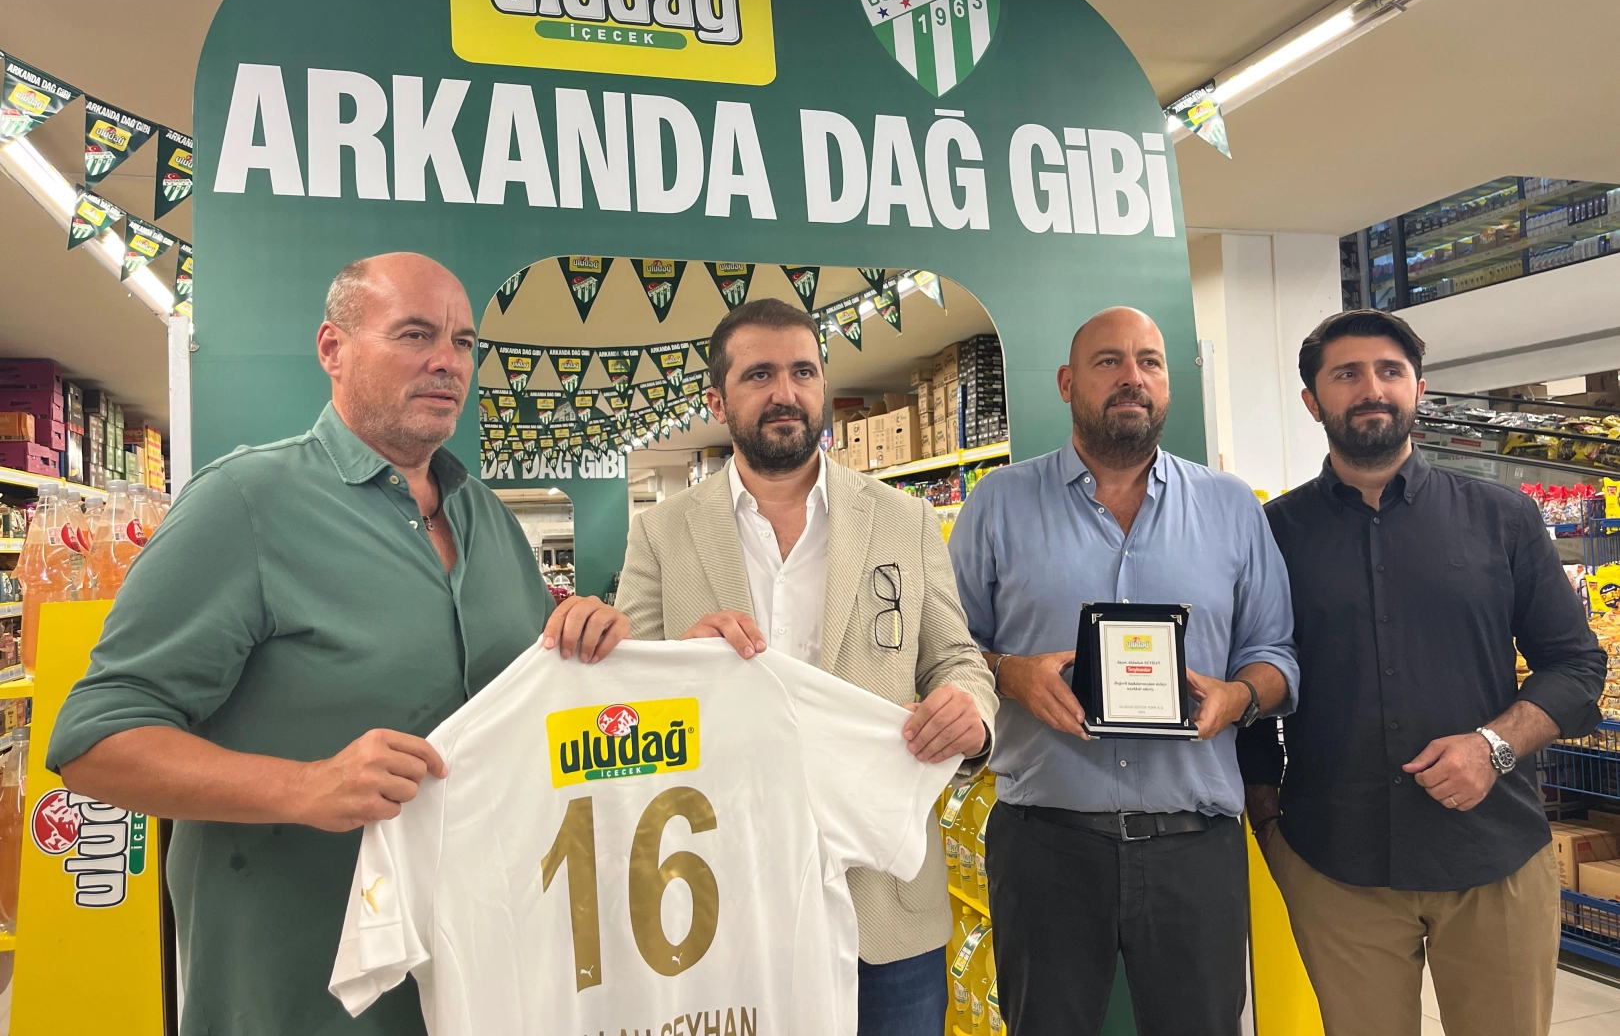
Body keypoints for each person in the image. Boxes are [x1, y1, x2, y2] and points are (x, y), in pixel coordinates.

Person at [47, 253, 630, 1036]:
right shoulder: (245, 503)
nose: (447, 361)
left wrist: (615, 658)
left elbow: (531, 714)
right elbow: (94, 742)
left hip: (478, 979)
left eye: (463, 342)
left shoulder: (488, 520)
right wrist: (304, 786)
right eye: (415, 334)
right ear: (333, 349)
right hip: (297, 990)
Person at [615, 297, 998, 1036]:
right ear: (717, 401)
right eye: (759, 375)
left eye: (803, 372)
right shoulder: (662, 533)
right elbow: (624, 709)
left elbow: (956, 658)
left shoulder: (904, 519)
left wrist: (969, 711)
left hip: (885, 911)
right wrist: (682, 665)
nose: (785, 392)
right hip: (722, 908)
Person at [1238, 309, 1605, 1036]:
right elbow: (1248, 682)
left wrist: (1492, 747)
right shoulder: (1271, 535)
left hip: (1495, 854)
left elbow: (1577, 664)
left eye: (1390, 371)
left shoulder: (1503, 518)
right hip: (1335, 863)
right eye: (1347, 374)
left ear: (1418, 390)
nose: (1371, 389)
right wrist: (1269, 823)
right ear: (1312, 401)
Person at [948, 307, 1299, 1036]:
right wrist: (1009, 674)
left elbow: (1278, 658)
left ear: (1167, 382)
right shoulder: (999, 504)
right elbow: (946, 650)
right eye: (1108, 361)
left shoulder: (1231, 506)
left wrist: (1238, 696)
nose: (1132, 377)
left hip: (1194, 846)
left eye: (1150, 362)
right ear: (1067, 382)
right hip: (1045, 843)